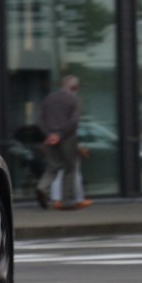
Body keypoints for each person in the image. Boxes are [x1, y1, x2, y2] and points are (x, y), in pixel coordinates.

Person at [35, 75, 90, 210]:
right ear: (74, 87)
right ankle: (66, 201)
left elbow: (41, 120)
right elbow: (73, 121)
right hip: (67, 138)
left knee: (53, 166)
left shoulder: (49, 98)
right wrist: (59, 135)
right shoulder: (74, 99)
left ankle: (42, 187)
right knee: (70, 168)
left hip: (50, 139)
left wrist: (49, 135)